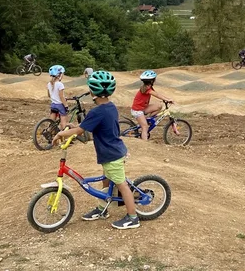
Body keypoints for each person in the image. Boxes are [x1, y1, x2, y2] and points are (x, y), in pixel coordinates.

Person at [52, 70, 140, 230]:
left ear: (92, 92)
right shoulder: (110, 107)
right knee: (107, 181)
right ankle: (102, 209)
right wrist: (75, 126)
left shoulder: (97, 111)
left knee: (122, 186)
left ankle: (133, 217)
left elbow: (81, 131)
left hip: (112, 154)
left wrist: (61, 132)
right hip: (110, 152)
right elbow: (87, 127)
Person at [131, 70, 173, 141]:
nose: (155, 80)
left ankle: (147, 119)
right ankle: (145, 143)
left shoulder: (149, 87)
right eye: (154, 79)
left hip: (143, 108)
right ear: (151, 81)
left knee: (159, 106)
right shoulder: (146, 88)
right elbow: (157, 95)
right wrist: (168, 99)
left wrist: (167, 99)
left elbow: (157, 94)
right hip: (137, 110)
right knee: (145, 127)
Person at [47, 65, 70, 130]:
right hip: (60, 105)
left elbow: (49, 95)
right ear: (59, 75)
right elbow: (61, 96)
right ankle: (64, 136)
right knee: (63, 122)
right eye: (62, 74)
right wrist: (66, 105)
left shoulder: (49, 84)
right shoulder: (60, 84)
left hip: (53, 104)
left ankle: (50, 132)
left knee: (52, 121)